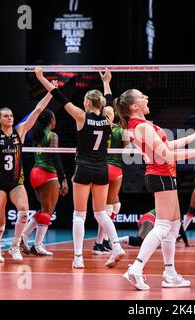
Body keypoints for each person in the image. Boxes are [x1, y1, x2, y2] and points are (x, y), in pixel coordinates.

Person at [115, 88, 195, 290]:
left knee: (174, 225)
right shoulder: (142, 126)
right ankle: (136, 269)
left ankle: (169, 273)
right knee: (162, 226)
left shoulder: (142, 125)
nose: (147, 97)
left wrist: (193, 137)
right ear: (134, 106)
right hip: (160, 175)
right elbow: (166, 156)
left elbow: (167, 145)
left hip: (165, 175)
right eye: (143, 97)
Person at [35, 67, 126, 269]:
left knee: (79, 215)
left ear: (86, 102)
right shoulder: (109, 117)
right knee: (101, 213)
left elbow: (58, 95)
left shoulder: (81, 116)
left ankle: (78, 258)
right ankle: (117, 246)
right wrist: (106, 81)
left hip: (84, 168)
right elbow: (110, 101)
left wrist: (41, 78)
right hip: (102, 169)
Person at [0, 75, 54, 263]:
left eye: (11, 115)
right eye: (6, 115)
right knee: (0, 225)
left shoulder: (19, 132)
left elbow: (38, 110)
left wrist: (50, 92)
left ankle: (15, 246)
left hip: (16, 182)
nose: (10, 117)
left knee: (24, 211)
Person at [20, 109, 69, 256]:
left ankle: (24, 235)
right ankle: (38, 245)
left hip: (35, 172)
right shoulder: (52, 135)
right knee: (48, 211)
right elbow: (55, 156)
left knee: (43, 210)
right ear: (51, 121)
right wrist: (63, 178)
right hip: (47, 173)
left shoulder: (37, 135)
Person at [93, 100, 129, 255]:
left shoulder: (95, 128)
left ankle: (103, 240)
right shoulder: (120, 130)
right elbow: (128, 151)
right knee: (107, 209)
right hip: (114, 168)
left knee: (115, 206)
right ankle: (99, 243)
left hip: (99, 168)